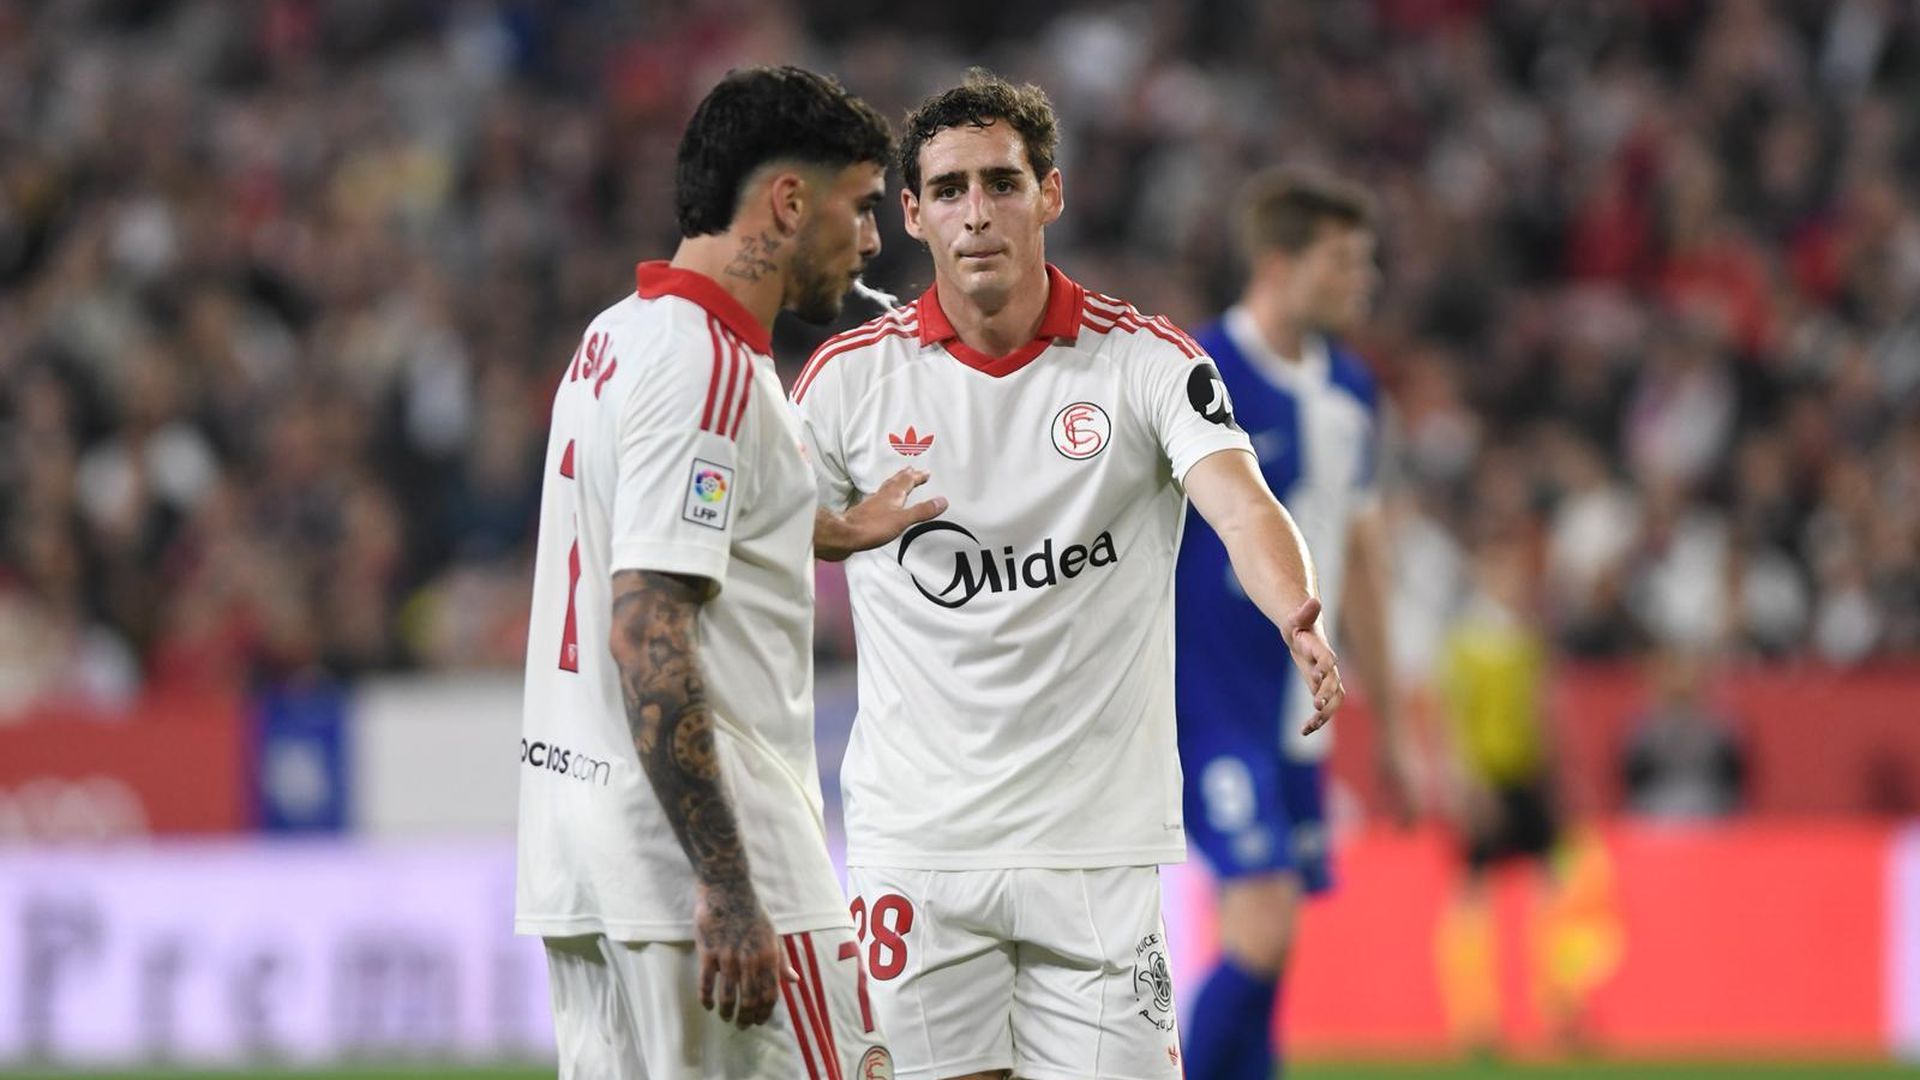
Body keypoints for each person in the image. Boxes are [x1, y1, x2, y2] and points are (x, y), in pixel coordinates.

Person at [789, 70, 1345, 1080]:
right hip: (919, 848)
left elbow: (1242, 501)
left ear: (1052, 193)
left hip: (1095, 852)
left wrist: (1296, 609)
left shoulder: (1145, 364)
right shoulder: (846, 383)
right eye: (949, 189)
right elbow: (756, 541)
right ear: (910, 214)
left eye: (1002, 182)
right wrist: (832, 535)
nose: (977, 213)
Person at [514, 66, 942, 1079]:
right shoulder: (705, 365)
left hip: (584, 855)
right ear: (789, 201)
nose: (876, 240)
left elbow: (672, 529)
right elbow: (647, 628)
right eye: (861, 203)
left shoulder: (616, 338)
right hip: (705, 862)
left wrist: (824, 527)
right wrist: (728, 885)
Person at [1172, 169, 1418, 1080]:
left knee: (1277, 942)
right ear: (1280, 264)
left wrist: (1392, 727)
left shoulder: (1352, 393)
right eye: (1346, 261)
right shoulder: (1195, 371)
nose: (1368, 280)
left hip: (1299, 719)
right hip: (1206, 702)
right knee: (1263, 921)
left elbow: (1363, 569)